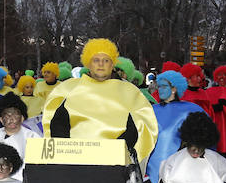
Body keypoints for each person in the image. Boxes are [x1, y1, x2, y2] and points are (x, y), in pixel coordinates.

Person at [43, 38, 159, 172]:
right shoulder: (68, 90)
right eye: (96, 60)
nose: (101, 64)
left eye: (106, 60)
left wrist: (114, 152)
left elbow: (140, 128)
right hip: (75, 166)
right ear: (88, 63)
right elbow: (56, 126)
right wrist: (71, 154)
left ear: (112, 64)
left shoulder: (129, 92)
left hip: (116, 166)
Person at [144, 70, 206, 183]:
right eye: (158, 86)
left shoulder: (190, 109)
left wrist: (193, 148)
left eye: (163, 86)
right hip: (155, 163)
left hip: (181, 162)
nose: (159, 90)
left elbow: (204, 133)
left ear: (174, 89)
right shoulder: (152, 109)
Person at [0, 92, 39, 181]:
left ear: (22, 118)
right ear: (1, 119)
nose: (11, 119)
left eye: (15, 115)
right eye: (7, 116)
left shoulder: (34, 138)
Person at [205, 66, 226, 159]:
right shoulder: (210, 91)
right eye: (219, 75)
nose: (221, 77)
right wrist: (213, 108)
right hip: (215, 127)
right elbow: (206, 108)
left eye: (224, 75)